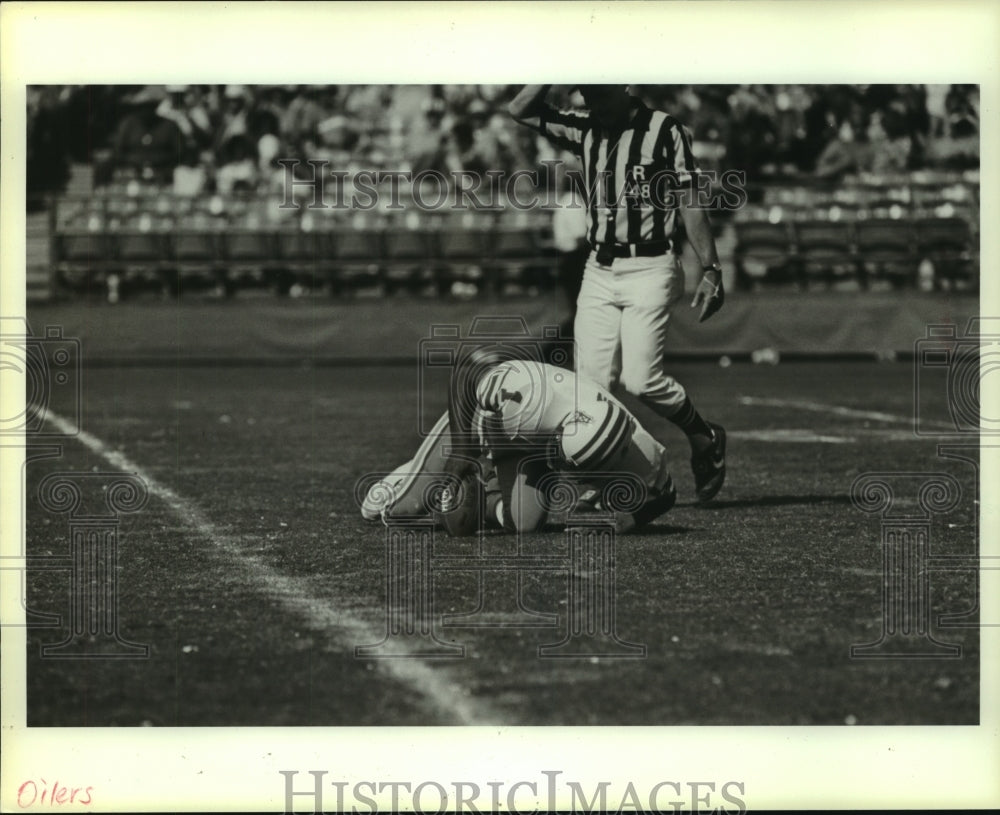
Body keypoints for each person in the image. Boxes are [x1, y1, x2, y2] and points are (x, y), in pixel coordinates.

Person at [508, 84, 727, 502]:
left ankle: (703, 435)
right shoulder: (585, 127)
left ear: (623, 89)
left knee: (642, 380)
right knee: (590, 386)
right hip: (599, 267)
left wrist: (711, 268)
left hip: (651, 264)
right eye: (586, 96)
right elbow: (519, 109)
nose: (592, 105)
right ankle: (611, 479)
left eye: (599, 96)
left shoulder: (664, 130)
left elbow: (689, 200)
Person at [360, 348, 677, 535]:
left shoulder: (640, 449)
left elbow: (663, 495)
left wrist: (622, 520)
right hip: (485, 424)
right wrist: (461, 450)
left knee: (523, 525)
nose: (580, 480)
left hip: (536, 443)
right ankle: (407, 480)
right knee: (404, 510)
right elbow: (468, 368)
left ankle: (484, 494)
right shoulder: (531, 396)